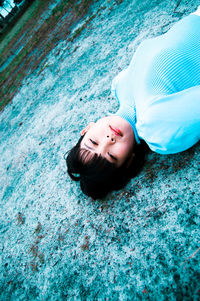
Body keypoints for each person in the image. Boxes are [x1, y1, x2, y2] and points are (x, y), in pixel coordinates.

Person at [65, 7, 200, 199]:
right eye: (111, 156)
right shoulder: (156, 128)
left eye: (93, 142)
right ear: (128, 161)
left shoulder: (119, 86)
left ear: (87, 129)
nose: (108, 140)